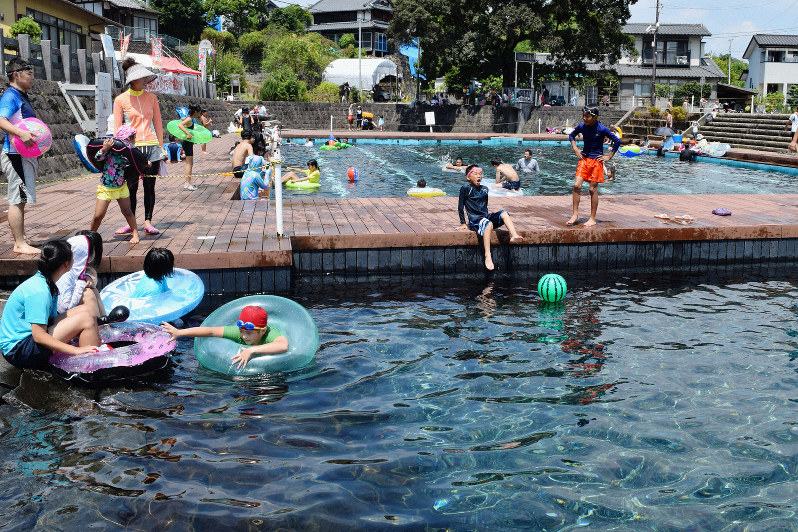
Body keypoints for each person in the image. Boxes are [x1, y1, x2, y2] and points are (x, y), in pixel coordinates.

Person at [0, 239, 102, 369]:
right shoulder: (40, 291)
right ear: (66, 264)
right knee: (85, 319)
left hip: (27, 339)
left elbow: (50, 320)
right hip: (18, 350)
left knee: (86, 310)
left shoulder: (47, 281)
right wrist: (75, 350)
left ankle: (92, 344)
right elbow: (39, 336)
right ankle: (90, 367)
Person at [113, 57, 164, 236]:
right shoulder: (120, 99)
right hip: (131, 149)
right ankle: (131, 222)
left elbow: (158, 124)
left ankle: (148, 221)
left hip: (151, 146)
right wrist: (118, 151)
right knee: (131, 188)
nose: (145, 80)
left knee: (149, 187)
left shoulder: (152, 98)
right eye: (142, 77)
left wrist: (161, 147)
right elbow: (117, 129)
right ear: (133, 80)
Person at [161, 305, 288, 370]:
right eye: (241, 331)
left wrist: (251, 350)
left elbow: (283, 345)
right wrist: (179, 333)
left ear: (262, 331)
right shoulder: (238, 333)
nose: (244, 336)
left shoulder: (269, 334)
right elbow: (210, 331)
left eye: (249, 333)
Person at [0, 57, 41, 255]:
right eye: (29, 73)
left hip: (23, 155)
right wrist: (20, 133)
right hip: (15, 154)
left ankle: (22, 238)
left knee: (21, 198)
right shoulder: (10, 96)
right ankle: (19, 243)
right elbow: (1, 119)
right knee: (16, 199)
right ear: (16, 74)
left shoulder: (21, 95)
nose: (32, 77)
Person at [457, 165, 524, 271]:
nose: (479, 176)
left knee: (504, 213)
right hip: (475, 220)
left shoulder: (484, 189)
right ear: (468, 177)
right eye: (475, 174)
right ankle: (488, 256)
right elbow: (461, 206)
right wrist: (463, 223)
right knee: (488, 224)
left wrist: (488, 218)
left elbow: (485, 206)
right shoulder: (466, 188)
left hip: (485, 217)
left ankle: (514, 235)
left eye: (480, 174)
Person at [90, 125, 144, 244]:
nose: (135, 140)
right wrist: (104, 149)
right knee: (98, 215)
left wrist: (146, 163)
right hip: (106, 187)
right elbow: (97, 158)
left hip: (121, 187)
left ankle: (135, 234)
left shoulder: (129, 152)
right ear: (128, 139)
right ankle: (91, 235)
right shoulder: (111, 150)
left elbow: (138, 161)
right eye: (134, 137)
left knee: (128, 212)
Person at [567, 106, 621, 227]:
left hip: (596, 161)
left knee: (592, 189)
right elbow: (571, 135)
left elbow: (617, 141)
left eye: (587, 116)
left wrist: (609, 157)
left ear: (595, 117)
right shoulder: (582, 126)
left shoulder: (601, 129)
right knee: (576, 185)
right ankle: (575, 215)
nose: (584, 118)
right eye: (583, 116)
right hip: (584, 159)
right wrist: (576, 149)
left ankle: (592, 218)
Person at [56, 231, 104, 320]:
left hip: (66, 313)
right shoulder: (66, 274)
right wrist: (82, 283)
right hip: (58, 318)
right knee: (88, 293)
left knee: (91, 290)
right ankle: (98, 324)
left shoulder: (75, 271)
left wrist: (86, 278)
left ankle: (104, 321)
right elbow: (64, 308)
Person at [178, 104, 201, 191]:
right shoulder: (189, 119)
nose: (199, 114)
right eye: (198, 112)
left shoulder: (188, 118)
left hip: (188, 143)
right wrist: (188, 133)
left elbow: (182, 120)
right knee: (189, 164)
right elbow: (180, 125)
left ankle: (188, 183)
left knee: (190, 163)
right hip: (187, 143)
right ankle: (187, 184)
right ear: (195, 112)